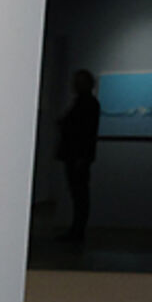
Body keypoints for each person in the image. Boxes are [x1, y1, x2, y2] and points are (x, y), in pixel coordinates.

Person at [56, 68, 100, 243]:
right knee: (78, 194)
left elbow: (85, 132)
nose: (73, 85)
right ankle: (77, 230)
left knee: (79, 194)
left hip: (77, 156)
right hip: (76, 156)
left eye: (78, 82)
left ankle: (77, 231)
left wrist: (82, 157)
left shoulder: (87, 104)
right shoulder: (85, 103)